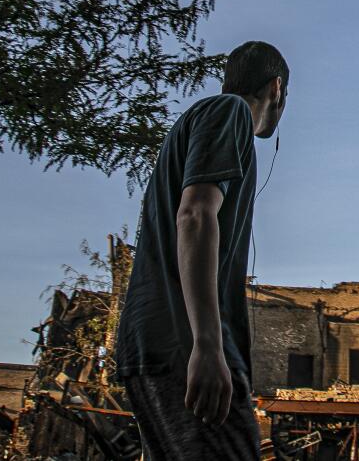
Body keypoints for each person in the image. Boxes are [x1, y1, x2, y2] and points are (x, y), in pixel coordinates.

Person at [115, 40, 288, 460]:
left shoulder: (198, 122)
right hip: (182, 341)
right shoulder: (228, 113)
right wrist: (208, 346)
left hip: (154, 342)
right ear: (276, 89)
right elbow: (194, 216)